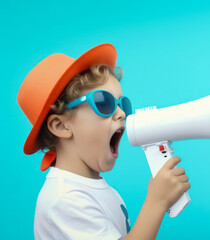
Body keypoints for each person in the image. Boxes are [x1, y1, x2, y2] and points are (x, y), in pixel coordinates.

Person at [17, 43, 190, 239]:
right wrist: (156, 202)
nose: (122, 113)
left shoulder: (91, 189)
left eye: (122, 103)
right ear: (61, 126)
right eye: (103, 102)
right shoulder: (64, 199)